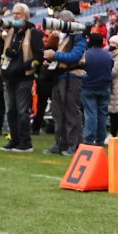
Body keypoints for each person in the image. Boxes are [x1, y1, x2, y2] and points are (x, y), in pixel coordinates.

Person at [0, 3, 44, 153]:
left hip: (24, 77)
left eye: (18, 14)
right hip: (9, 76)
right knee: (10, 110)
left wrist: (25, 66)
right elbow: (4, 52)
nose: (15, 16)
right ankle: (14, 139)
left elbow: (39, 55)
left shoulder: (34, 32)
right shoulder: (11, 31)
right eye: (14, 13)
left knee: (22, 111)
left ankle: (26, 142)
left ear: (25, 15)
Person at [44, 11, 87, 156]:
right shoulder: (66, 38)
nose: (57, 25)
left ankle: (75, 145)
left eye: (59, 21)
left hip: (72, 76)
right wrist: (50, 59)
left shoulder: (79, 37)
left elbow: (75, 56)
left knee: (71, 112)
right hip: (60, 76)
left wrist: (54, 55)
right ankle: (60, 143)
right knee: (58, 113)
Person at [79, 31, 113, 145]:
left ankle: (88, 139)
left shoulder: (86, 54)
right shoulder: (108, 55)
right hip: (104, 87)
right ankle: (100, 139)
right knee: (102, 114)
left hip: (88, 87)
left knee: (90, 114)